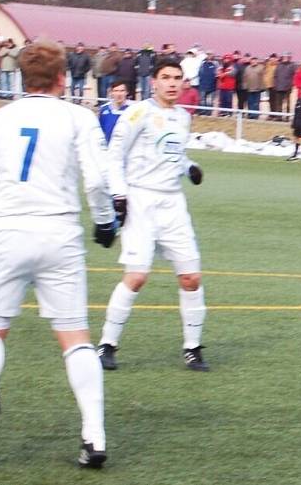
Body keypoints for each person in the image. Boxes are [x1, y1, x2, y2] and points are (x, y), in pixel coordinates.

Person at [0, 40, 115, 468]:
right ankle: (94, 437)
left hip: (7, 231)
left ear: (24, 77)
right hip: (58, 233)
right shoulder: (79, 117)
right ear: (63, 76)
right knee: (76, 338)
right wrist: (104, 221)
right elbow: (97, 179)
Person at [97, 60, 208, 372]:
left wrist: (189, 168)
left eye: (177, 78)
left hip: (173, 204)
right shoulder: (138, 113)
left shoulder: (183, 117)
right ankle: (107, 345)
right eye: (165, 78)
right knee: (136, 277)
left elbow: (174, 153)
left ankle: (193, 348)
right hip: (141, 199)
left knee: (191, 278)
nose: (172, 83)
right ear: (154, 82)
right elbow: (114, 155)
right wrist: (119, 194)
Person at [98, 80, 130, 145]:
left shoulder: (132, 110)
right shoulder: (104, 110)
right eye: (116, 91)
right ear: (111, 93)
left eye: (122, 91)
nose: (119, 94)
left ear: (127, 92)